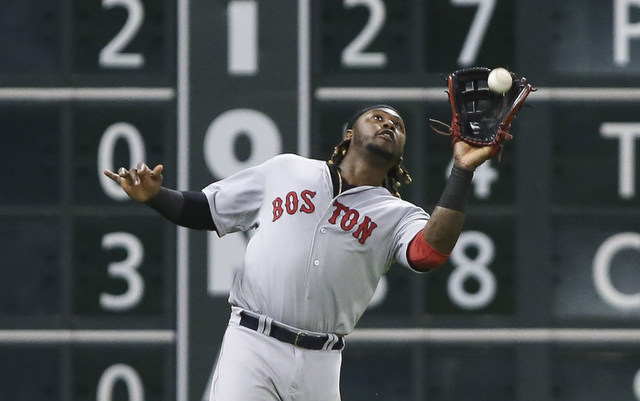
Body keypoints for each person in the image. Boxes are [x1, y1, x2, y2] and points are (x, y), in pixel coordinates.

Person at [104, 104, 493, 401]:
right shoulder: (287, 170)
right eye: (377, 117)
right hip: (252, 342)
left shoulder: (397, 214)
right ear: (349, 134)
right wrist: (156, 197)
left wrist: (461, 171)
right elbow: (207, 209)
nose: (389, 124)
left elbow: (429, 254)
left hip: (321, 362)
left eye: (398, 126)